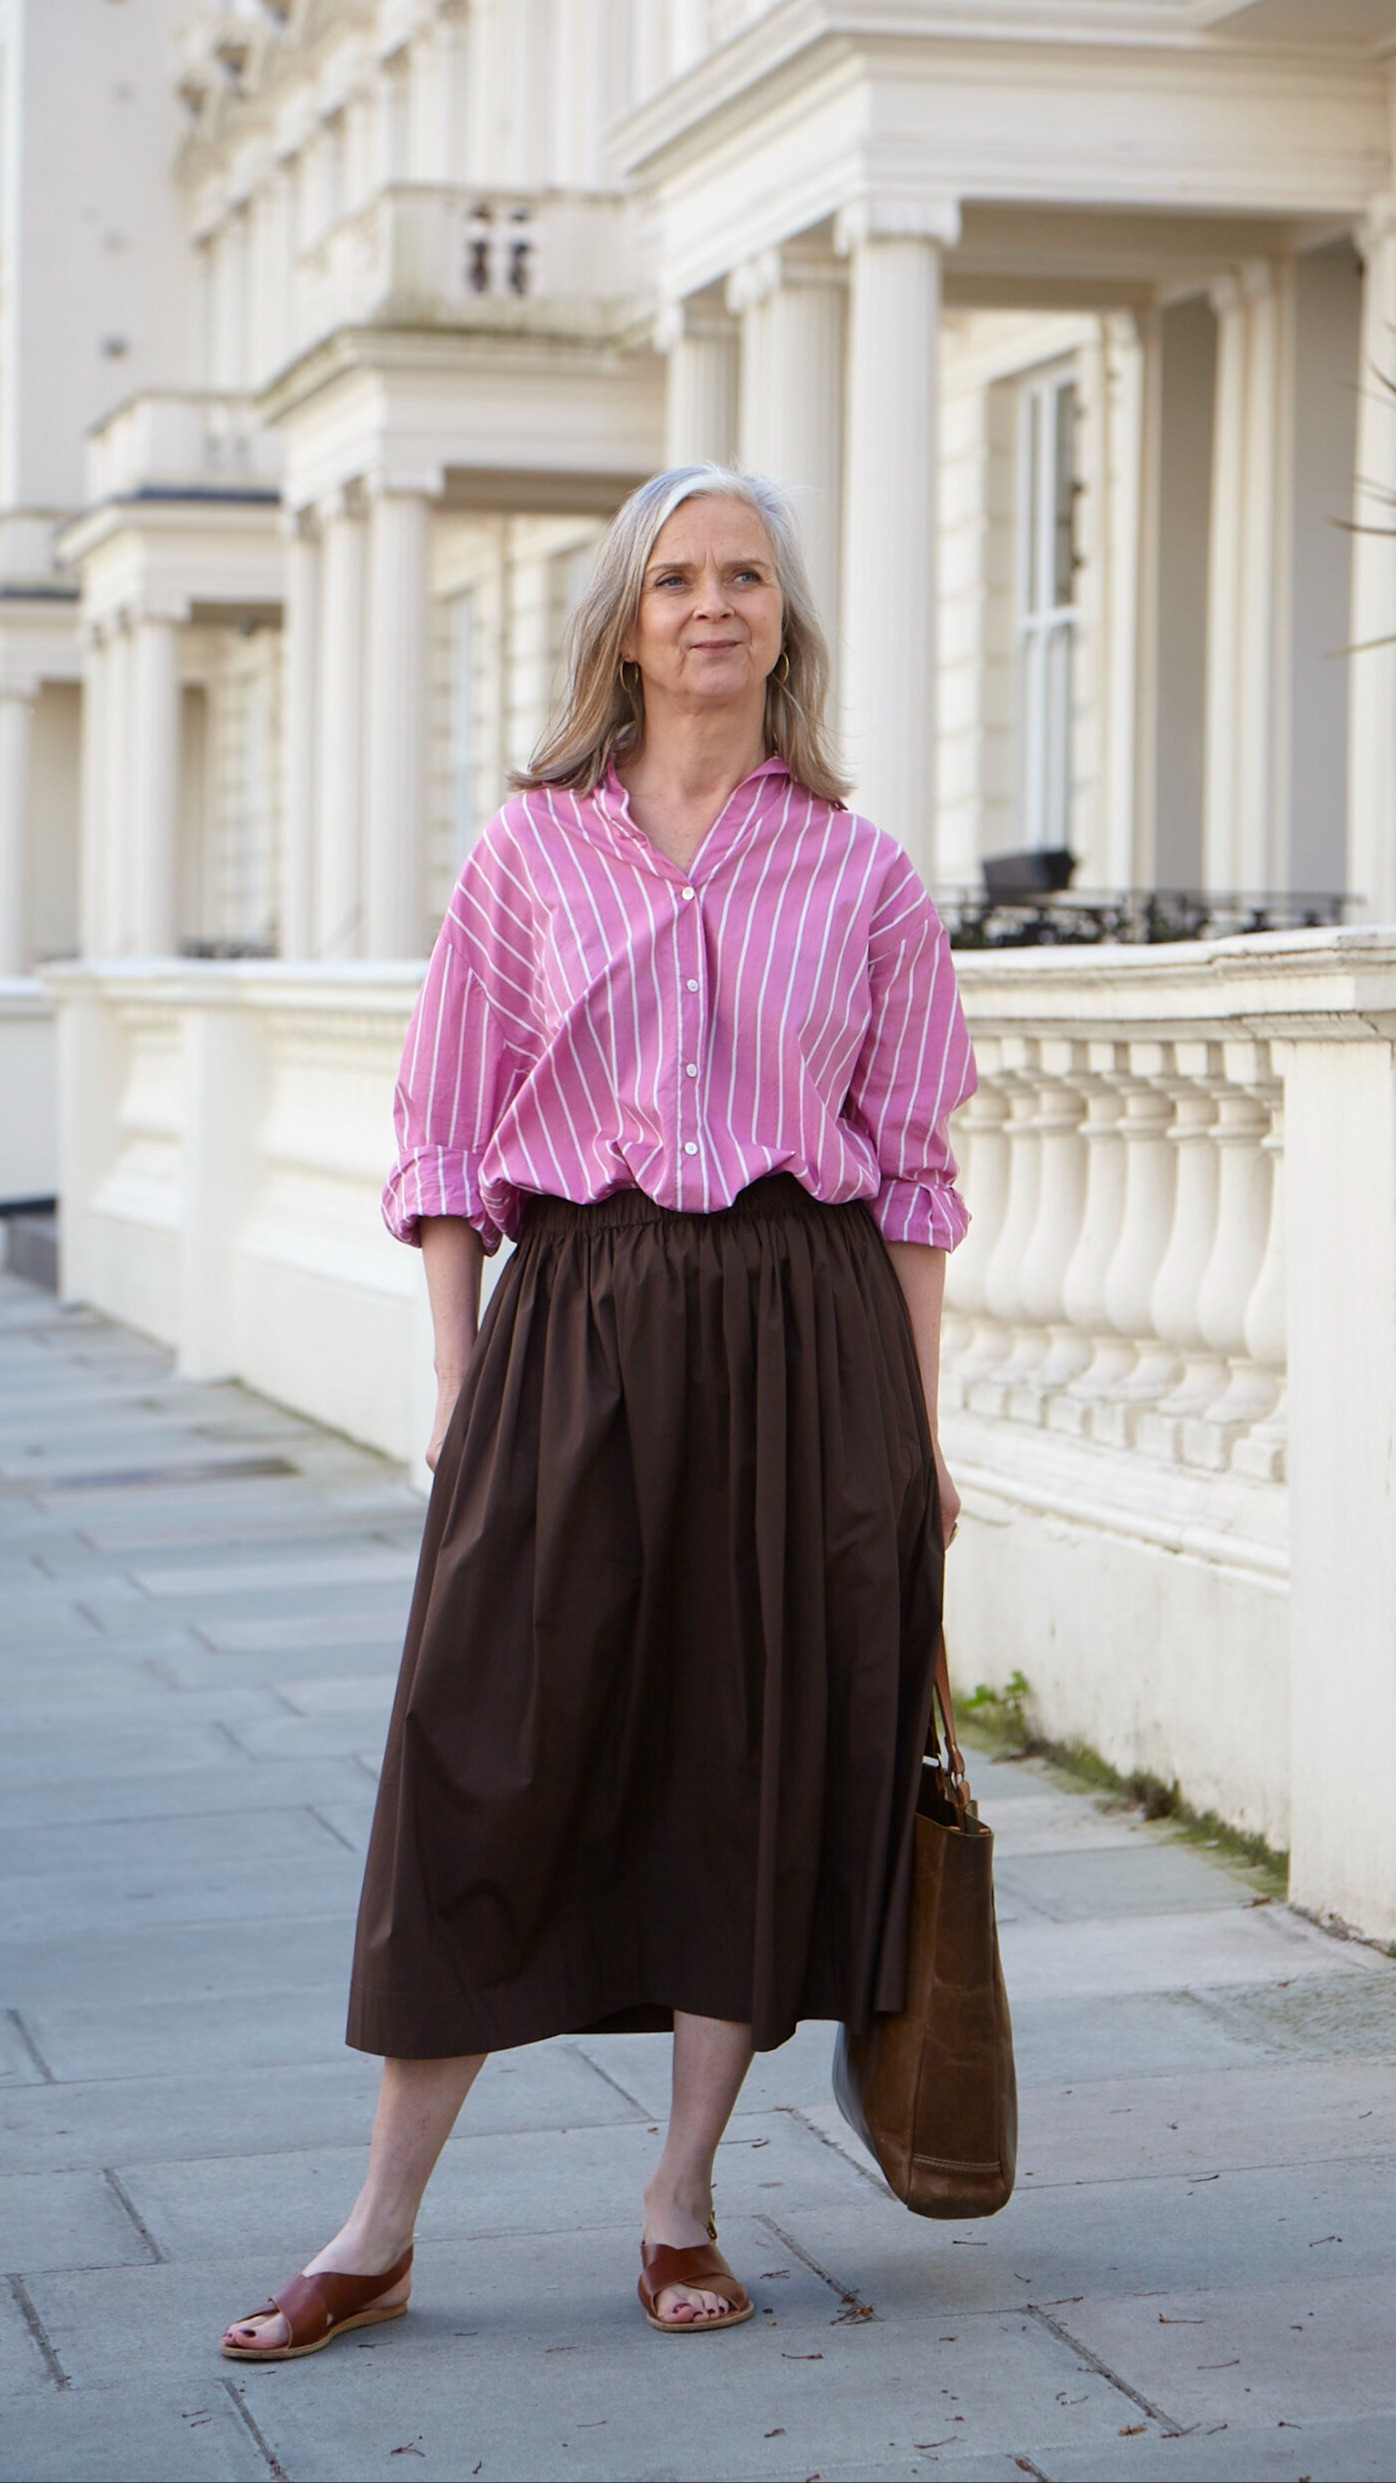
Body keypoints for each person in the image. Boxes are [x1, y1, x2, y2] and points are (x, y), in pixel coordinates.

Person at [221, 462, 975, 2359]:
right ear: (623, 621)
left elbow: (913, 1172)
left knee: (749, 1757)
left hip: (807, 1338)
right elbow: (450, 1137)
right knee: (486, 1747)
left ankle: (681, 2203)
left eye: (744, 577)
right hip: (581, 1321)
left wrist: (923, 1437)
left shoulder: (861, 873)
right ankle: (379, 2224)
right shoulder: (527, 854)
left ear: (782, 617)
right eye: (674, 579)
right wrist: (466, 1395)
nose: (711, 607)